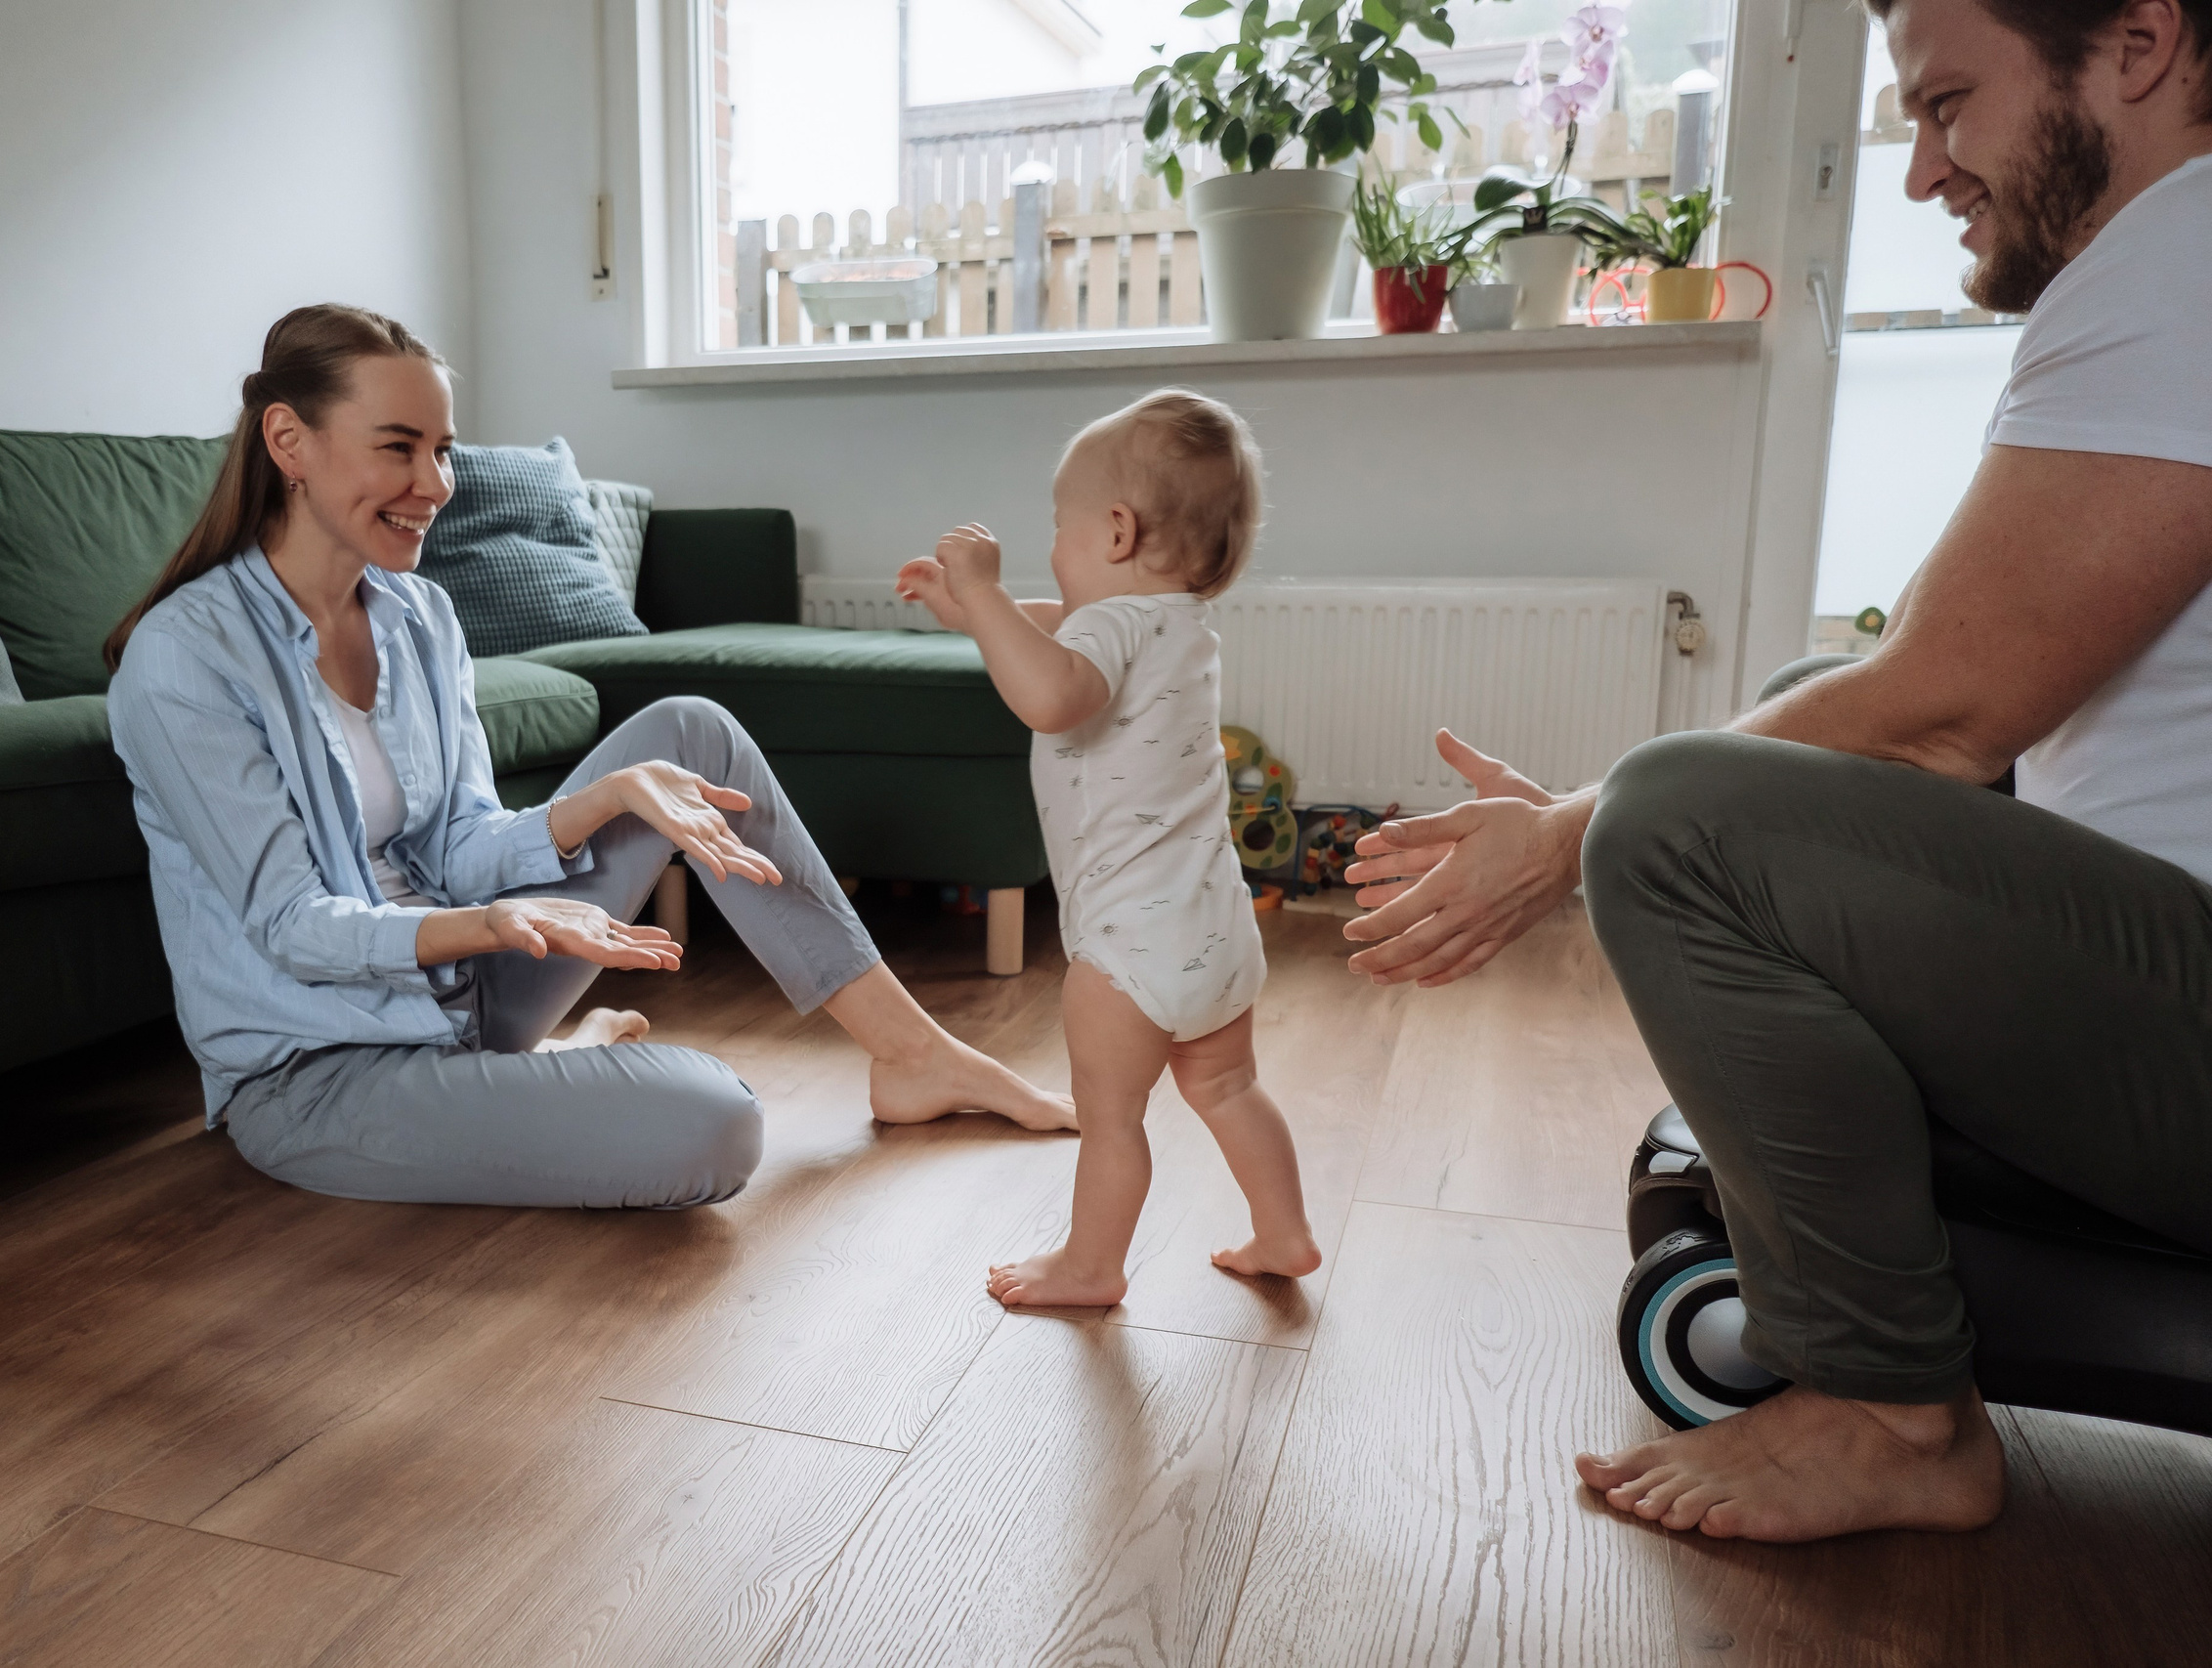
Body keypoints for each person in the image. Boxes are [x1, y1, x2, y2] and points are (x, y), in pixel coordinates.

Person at [1341, 0, 2212, 1542]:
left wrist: (1569, 835)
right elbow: (1940, 698)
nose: (1927, 173)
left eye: (1950, 106)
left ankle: (1890, 1413)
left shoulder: (2184, 250)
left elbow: (1944, 710)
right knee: (1800, 711)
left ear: (2138, 45)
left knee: (1675, 821)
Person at [106, 304, 1074, 1210]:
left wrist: (606, 798)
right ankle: (538, 1068)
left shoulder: (418, 615)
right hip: (325, 1067)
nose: (436, 485)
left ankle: (913, 1055)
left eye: (441, 451)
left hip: (472, 991)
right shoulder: (185, 656)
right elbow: (290, 927)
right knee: (716, 1127)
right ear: (289, 444)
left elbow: (461, 847)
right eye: (397, 448)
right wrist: (490, 926)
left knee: (687, 734)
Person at [897, 390, 1321, 1308]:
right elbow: (1056, 628)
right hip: (1214, 923)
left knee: (1110, 1115)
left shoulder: (1102, 634)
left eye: (1061, 524)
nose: (1054, 541)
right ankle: (1284, 1231)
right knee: (1229, 1085)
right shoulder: (1179, 625)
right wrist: (980, 615)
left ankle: (1092, 1265)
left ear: (1117, 532)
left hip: (1129, 944)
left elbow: (1053, 692)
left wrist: (979, 587)